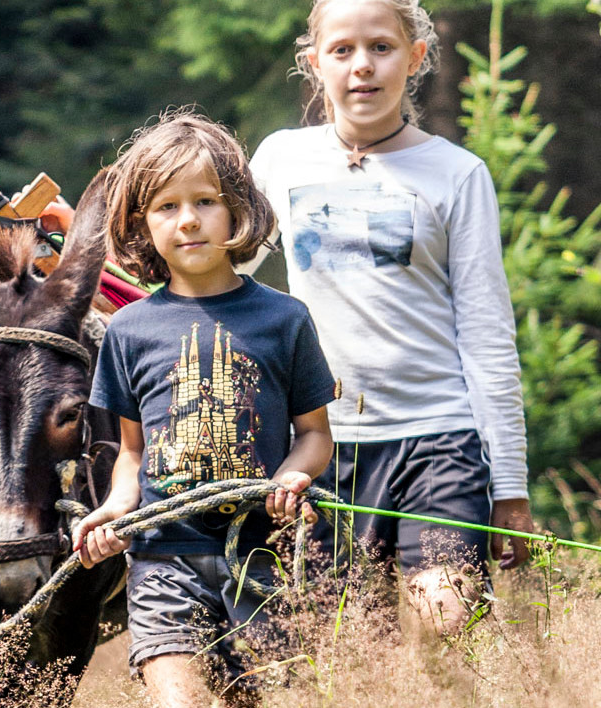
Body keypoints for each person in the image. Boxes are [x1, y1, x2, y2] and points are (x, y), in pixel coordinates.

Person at [247, 0, 533, 622]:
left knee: (444, 623)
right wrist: (89, 258)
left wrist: (509, 487)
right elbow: (216, 267)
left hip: (439, 441)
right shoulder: (280, 160)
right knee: (349, 645)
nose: (362, 67)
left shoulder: (457, 174)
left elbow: (486, 336)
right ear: (314, 63)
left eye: (382, 47)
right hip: (319, 447)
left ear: (415, 58)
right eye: (342, 50)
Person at [72, 109, 336, 707]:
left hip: (262, 556)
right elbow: (131, 452)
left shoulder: (284, 319)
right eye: (166, 206)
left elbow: (315, 435)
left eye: (206, 201)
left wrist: (294, 474)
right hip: (165, 561)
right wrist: (115, 509)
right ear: (142, 223)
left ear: (237, 209)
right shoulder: (129, 330)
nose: (188, 220)